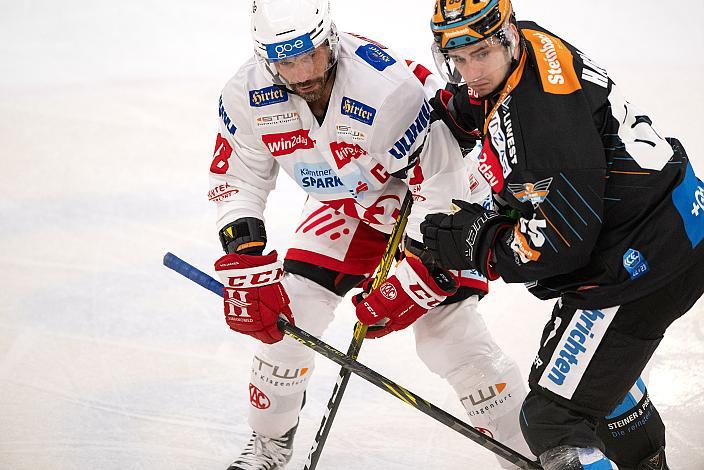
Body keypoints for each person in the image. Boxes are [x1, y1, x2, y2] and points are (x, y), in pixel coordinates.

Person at [208, 0, 534, 468]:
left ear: (331, 38)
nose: (301, 72)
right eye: (285, 60)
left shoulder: (387, 91)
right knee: (289, 322)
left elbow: (441, 183)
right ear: (264, 57)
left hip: (439, 197)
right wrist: (246, 262)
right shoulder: (247, 93)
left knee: (450, 339)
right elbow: (238, 178)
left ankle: (527, 457)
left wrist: (419, 276)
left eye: (311, 55)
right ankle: (269, 447)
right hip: (349, 205)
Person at [419, 1, 704, 469]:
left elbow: (561, 243)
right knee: (597, 383)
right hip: (675, 227)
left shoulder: (545, 122)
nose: (469, 72)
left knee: (553, 419)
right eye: (458, 58)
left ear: (506, 37)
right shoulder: (526, 44)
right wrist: (460, 111)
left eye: (480, 55)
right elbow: (487, 97)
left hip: (640, 263)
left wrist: (478, 243)